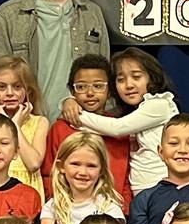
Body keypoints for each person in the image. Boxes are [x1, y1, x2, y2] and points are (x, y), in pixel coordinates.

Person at [66, 47, 178, 194]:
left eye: (136, 77)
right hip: (139, 193)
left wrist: (72, 111)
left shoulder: (159, 104)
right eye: (120, 80)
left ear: (152, 78)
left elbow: (116, 128)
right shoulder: (131, 112)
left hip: (161, 189)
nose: (129, 85)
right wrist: (69, 102)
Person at [44, 55, 133, 204]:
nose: (90, 93)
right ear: (72, 91)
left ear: (110, 90)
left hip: (111, 212)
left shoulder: (121, 129)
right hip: (68, 210)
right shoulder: (60, 128)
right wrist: (59, 205)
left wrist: (123, 209)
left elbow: (127, 177)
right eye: (81, 86)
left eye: (98, 86)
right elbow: (49, 173)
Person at [38, 133, 126, 224]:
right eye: (75, 164)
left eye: (91, 166)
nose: (83, 172)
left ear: (101, 170)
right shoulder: (53, 206)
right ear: (62, 166)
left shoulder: (109, 208)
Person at [0, 58, 50, 195]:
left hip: (28, 193)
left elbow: (33, 163)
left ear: (28, 90)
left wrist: (14, 125)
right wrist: (3, 121)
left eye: (17, 87)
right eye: (1, 87)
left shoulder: (40, 122)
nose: (9, 93)